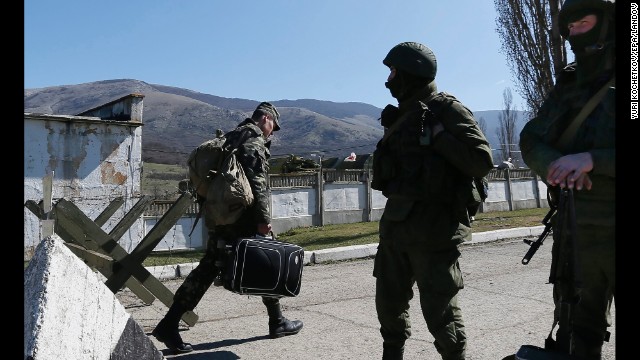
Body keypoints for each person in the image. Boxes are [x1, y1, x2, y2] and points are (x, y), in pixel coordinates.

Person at [371, 41, 494, 360]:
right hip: (396, 226)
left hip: (435, 229)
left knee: (440, 311)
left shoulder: (446, 108)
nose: (389, 79)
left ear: (412, 72)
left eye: (394, 71)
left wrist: (440, 136)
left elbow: (481, 160)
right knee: (388, 304)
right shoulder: (401, 117)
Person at [152, 102, 303, 353]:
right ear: (265, 118)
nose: (272, 132)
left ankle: (170, 323)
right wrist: (264, 220)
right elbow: (258, 185)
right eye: (272, 126)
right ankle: (276, 321)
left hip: (221, 215)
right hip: (242, 218)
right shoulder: (252, 141)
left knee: (210, 267)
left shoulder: (232, 136)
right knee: (267, 261)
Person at [518, 0, 615, 359]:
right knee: (577, 330)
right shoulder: (571, 82)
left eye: (583, 24)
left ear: (606, 25)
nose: (574, 35)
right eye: (569, 28)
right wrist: (555, 164)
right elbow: (531, 138)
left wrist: (592, 160)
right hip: (578, 229)